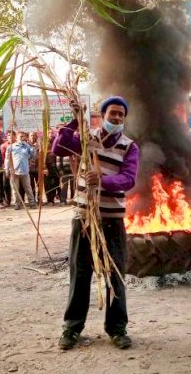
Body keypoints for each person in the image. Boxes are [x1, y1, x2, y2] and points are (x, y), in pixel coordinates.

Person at [53, 95, 139, 351]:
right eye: (112, 113)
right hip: (84, 218)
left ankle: (117, 328)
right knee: (79, 273)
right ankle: (71, 328)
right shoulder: (86, 137)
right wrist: (75, 120)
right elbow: (59, 147)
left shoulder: (129, 146)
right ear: (102, 115)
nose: (116, 118)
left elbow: (128, 179)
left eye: (121, 115)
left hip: (112, 220)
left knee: (115, 274)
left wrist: (101, 181)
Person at [5, 131, 37, 209]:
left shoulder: (27, 147)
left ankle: (32, 203)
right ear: (16, 138)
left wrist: (31, 147)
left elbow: (34, 156)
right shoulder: (11, 147)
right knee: (15, 190)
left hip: (25, 171)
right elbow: (7, 159)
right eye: (21, 136)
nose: (22, 138)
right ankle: (17, 204)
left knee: (28, 188)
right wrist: (7, 170)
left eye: (24, 137)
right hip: (14, 171)